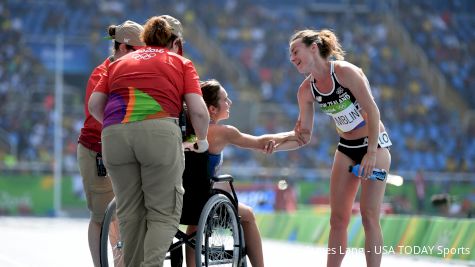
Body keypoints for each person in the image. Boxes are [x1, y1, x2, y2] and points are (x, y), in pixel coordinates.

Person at [88, 15, 210, 267]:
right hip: (159, 132)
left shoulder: (115, 63)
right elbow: (198, 111)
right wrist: (203, 139)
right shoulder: (181, 62)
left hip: (113, 135)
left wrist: (117, 126)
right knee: (164, 214)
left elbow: (94, 105)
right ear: (175, 42)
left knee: (130, 214)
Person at [273, 29, 392, 267]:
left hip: (374, 146)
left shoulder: (345, 72)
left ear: (313, 48)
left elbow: (373, 110)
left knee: (369, 216)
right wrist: (274, 144)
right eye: (290, 55)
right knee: (338, 219)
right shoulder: (306, 91)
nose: (292, 58)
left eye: (295, 52)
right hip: (346, 148)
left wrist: (369, 153)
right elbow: (304, 136)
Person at [184, 79, 299, 267]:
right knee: (248, 214)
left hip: (178, 201)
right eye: (225, 99)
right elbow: (260, 142)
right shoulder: (222, 132)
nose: (230, 103)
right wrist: (292, 135)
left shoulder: (185, 130)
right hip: (200, 202)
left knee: (195, 221)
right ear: (212, 109)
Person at [77, 19, 145, 267]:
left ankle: (122, 263)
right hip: (97, 151)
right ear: (124, 48)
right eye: (140, 51)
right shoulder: (101, 73)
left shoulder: (136, 72)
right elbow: (98, 111)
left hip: (126, 153)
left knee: (124, 215)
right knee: (101, 216)